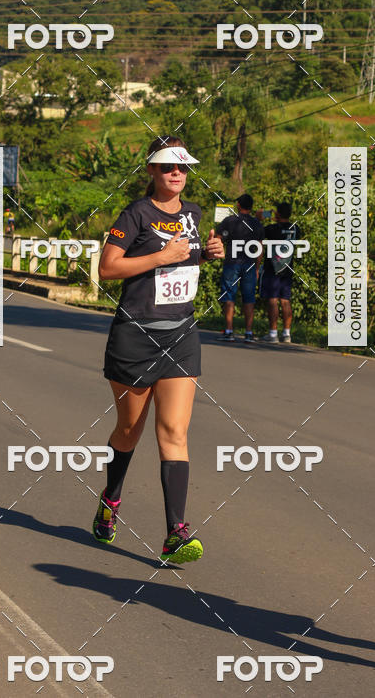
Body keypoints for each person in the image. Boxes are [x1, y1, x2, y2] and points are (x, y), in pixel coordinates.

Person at [94, 135, 225, 565]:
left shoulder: (193, 213)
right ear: (151, 170)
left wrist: (207, 255)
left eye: (183, 168)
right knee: (129, 431)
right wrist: (160, 257)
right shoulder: (135, 214)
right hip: (136, 334)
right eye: (168, 167)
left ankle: (175, 533)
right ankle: (111, 498)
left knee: (174, 432)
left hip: (181, 334)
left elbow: (183, 264)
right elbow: (108, 268)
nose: (177, 174)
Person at [216, 193, 263, 342]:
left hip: (232, 263)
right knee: (249, 298)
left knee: (229, 296)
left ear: (238, 205)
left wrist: (221, 255)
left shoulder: (229, 221)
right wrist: (257, 267)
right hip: (249, 264)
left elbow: (218, 240)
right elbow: (260, 248)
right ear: (251, 207)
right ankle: (248, 333)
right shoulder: (257, 224)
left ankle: (229, 331)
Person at [259, 201, 300, 343]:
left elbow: (259, 233)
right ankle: (287, 334)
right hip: (287, 268)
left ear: (277, 213)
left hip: (272, 268)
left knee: (272, 299)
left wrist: (260, 218)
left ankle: (273, 333)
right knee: (285, 300)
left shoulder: (271, 229)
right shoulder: (296, 228)